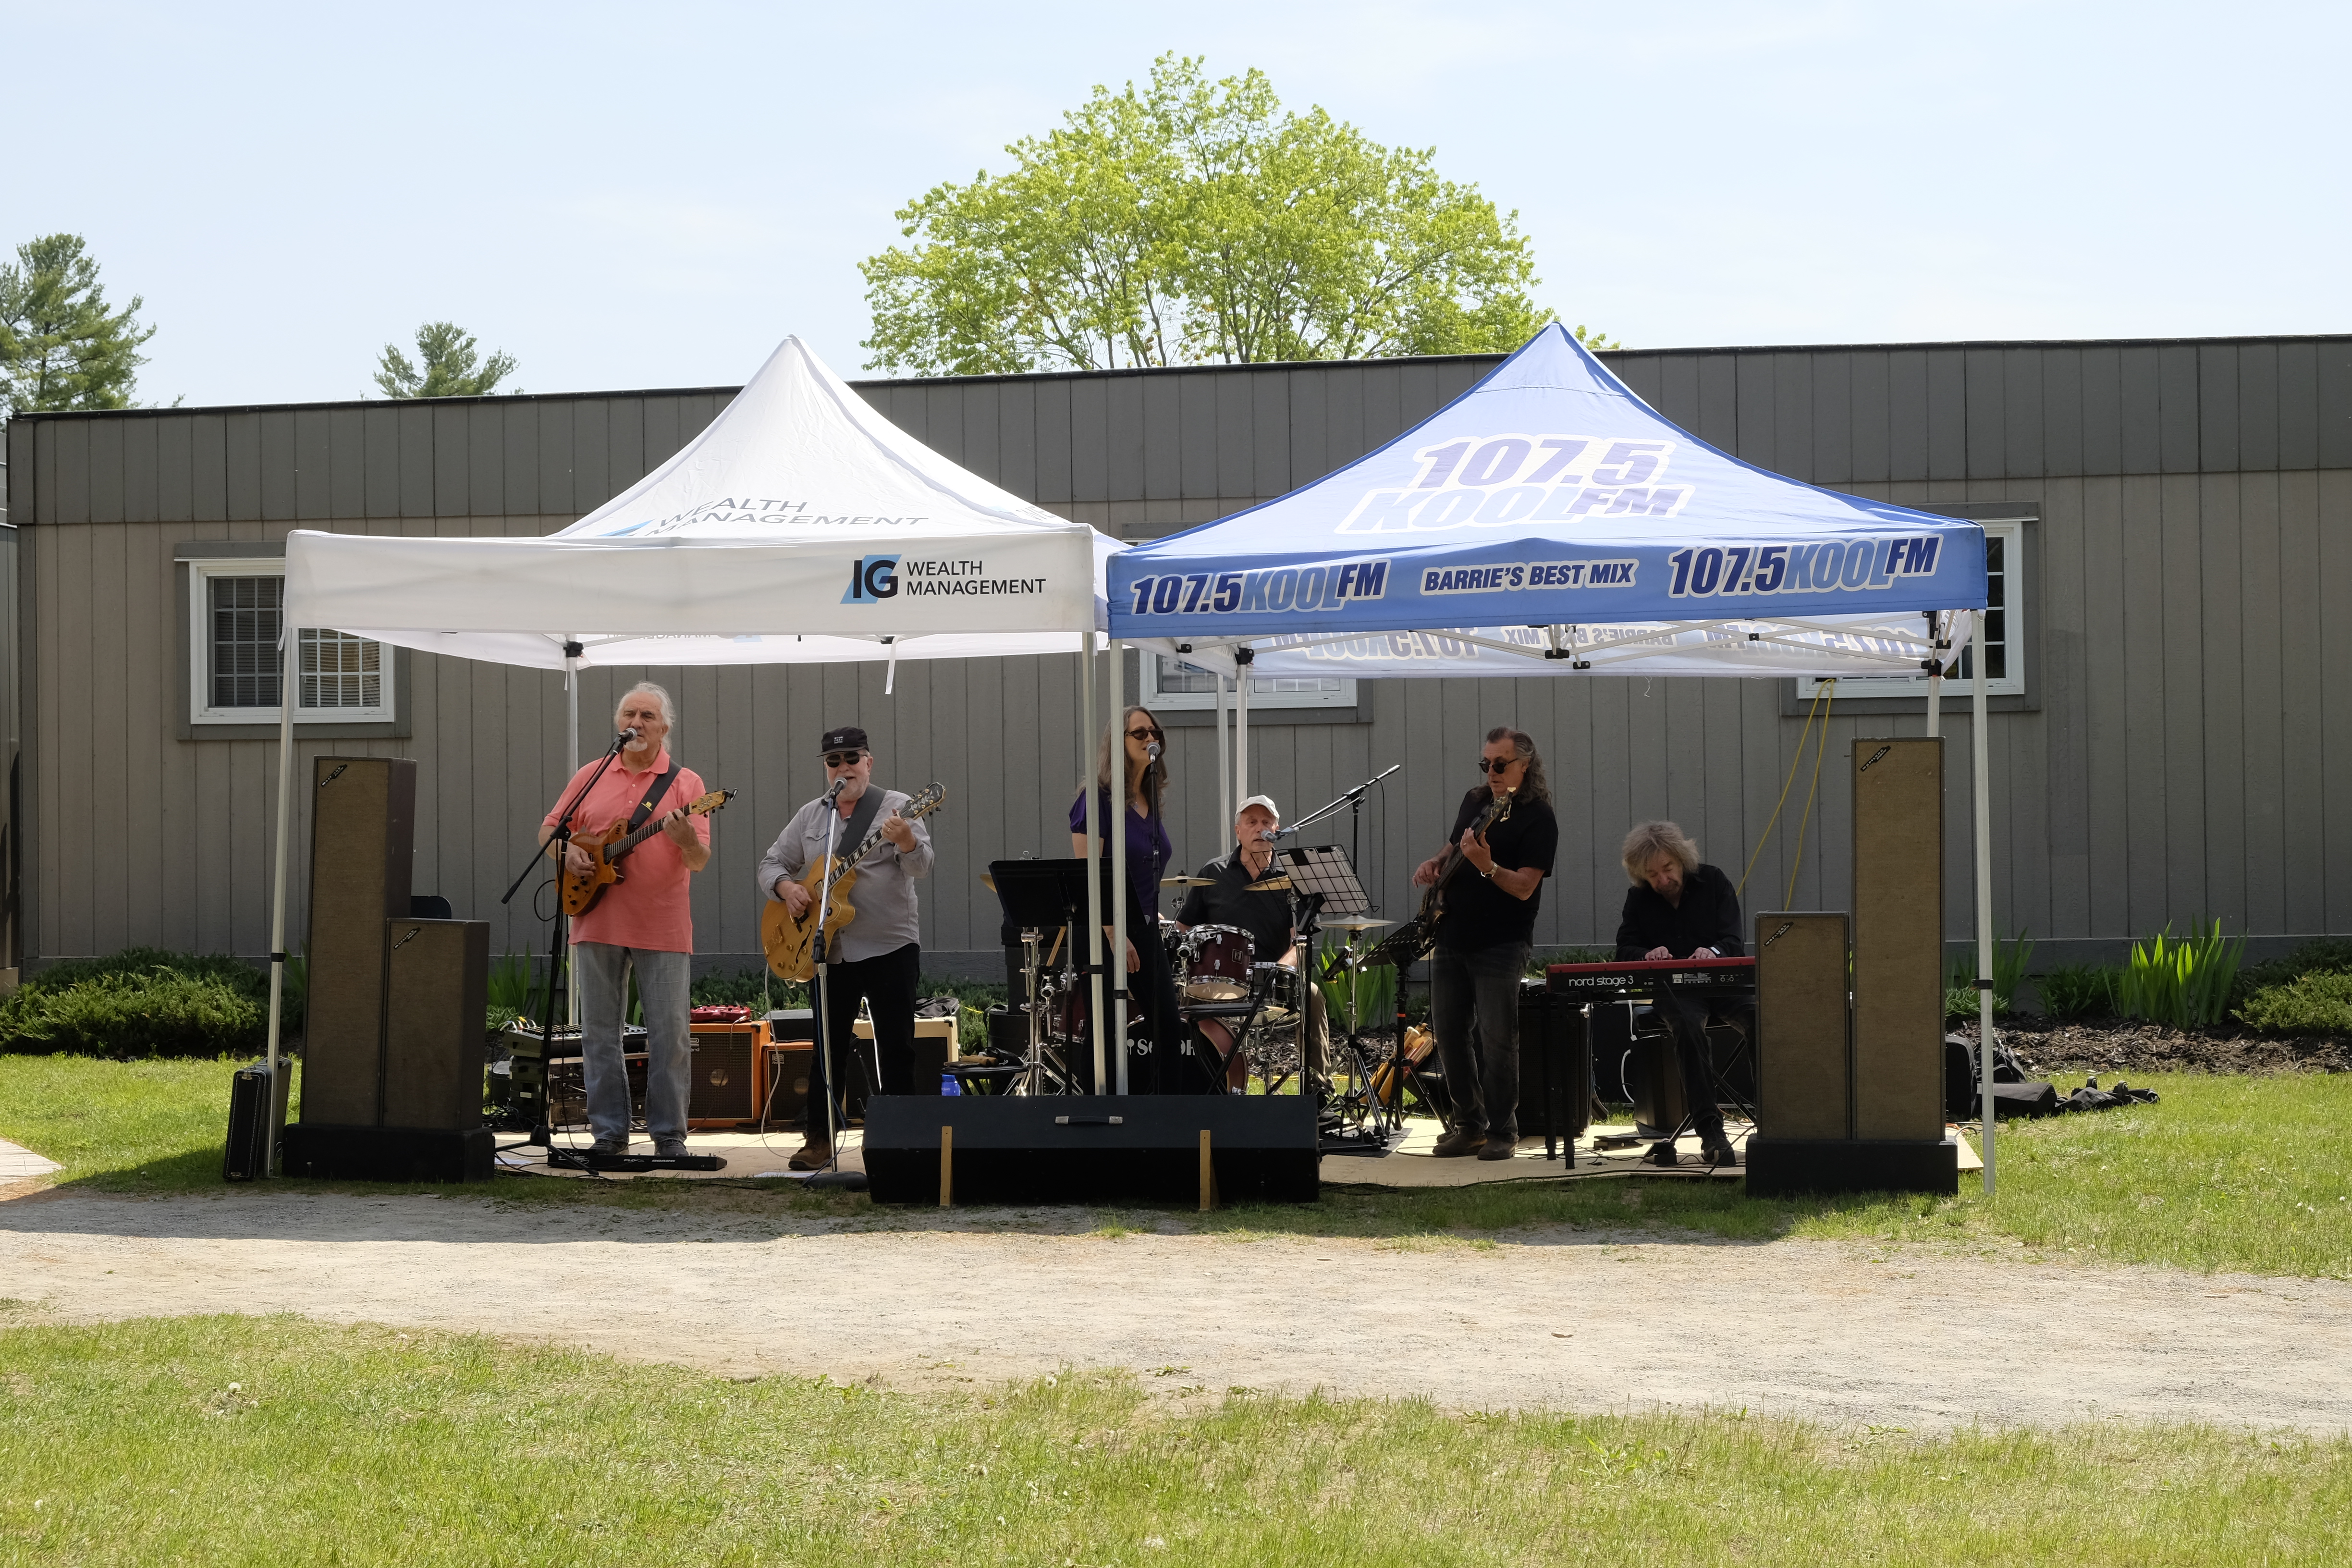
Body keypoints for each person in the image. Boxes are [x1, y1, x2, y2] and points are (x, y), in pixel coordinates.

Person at [539, 683, 711, 1158]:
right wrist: (567, 849)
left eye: (647, 716)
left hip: (662, 923)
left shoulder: (687, 785)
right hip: (596, 917)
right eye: (629, 714)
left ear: (665, 728)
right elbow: (551, 828)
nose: (636, 723)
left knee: (669, 1033)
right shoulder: (592, 775)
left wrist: (684, 839)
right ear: (618, 723)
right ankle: (609, 1135)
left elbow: (699, 860)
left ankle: (669, 1138)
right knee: (598, 1032)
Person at [758, 724, 934, 1171]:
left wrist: (907, 840)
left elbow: (923, 866)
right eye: (834, 761)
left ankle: (899, 1139)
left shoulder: (897, 807)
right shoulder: (812, 816)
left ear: (869, 762)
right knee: (827, 1047)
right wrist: (786, 888)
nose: (844, 768)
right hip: (829, 952)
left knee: (896, 1046)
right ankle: (818, 1138)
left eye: (852, 759)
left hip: (890, 945)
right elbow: (771, 862)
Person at [1410, 726, 1559, 1160]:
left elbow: (1526, 887)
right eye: (1486, 763)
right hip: (1452, 932)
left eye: (1500, 764)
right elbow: (1458, 841)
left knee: (1497, 1039)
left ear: (1525, 765)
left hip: (1501, 940)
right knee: (1450, 1035)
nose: (1491, 772)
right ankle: (1468, 1126)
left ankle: (1502, 1131)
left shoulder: (1539, 816)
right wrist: (1437, 860)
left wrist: (1487, 865)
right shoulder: (1476, 801)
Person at [1068, 705, 1195, 1092]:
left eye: (1154, 732)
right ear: (1118, 743)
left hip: (1141, 926)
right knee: (1104, 1035)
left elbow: (1142, 869)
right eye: (1139, 733)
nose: (1150, 739)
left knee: (1169, 1028)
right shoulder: (1099, 798)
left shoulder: (1150, 801)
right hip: (1103, 929)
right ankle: (1097, 1124)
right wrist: (1112, 933)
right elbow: (1090, 874)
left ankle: (1162, 1121)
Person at [1175, 795, 1330, 1092]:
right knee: (1179, 1001)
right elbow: (1184, 930)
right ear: (1238, 830)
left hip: (1271, 978)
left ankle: (1317, 1091)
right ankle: (1194, 1088)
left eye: (1266, 822)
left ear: (1277, 827)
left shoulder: (1293, 876)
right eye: (1252, 822)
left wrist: (1283, 966)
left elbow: (1300, 940)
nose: (1260, 829)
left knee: (1311, 995)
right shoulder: (1213, 872)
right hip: (1217, 981)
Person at [1613, 820, 1743, 1169]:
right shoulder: (1639, 898)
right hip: (1676, 991)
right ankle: (1711, 1133)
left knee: (1766, 1021)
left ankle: (1781, 1125)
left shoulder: (1714, 881)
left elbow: (1734, 941)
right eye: (1652, 875)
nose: (1662, 880)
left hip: (1723, 984)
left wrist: (1712, 952)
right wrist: (1646, 955)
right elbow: (1624, 949)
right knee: (1686, 1028)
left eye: (1667, 869)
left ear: (1682, 859)